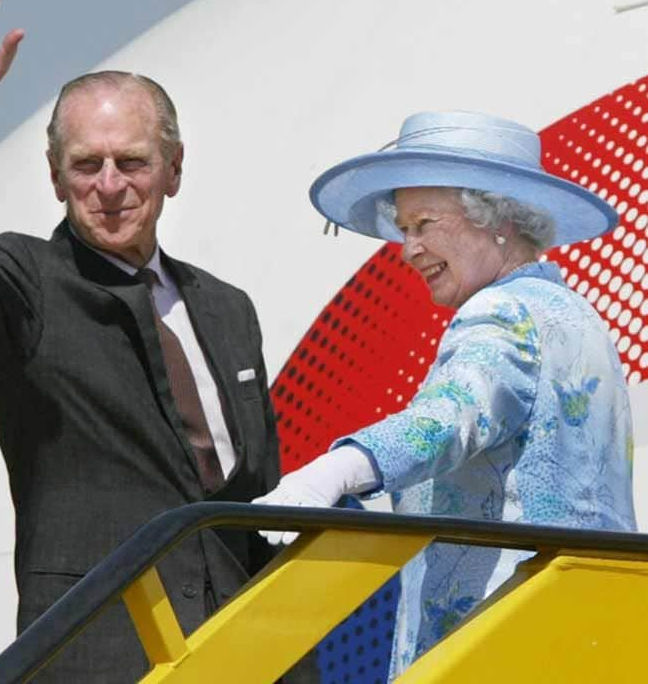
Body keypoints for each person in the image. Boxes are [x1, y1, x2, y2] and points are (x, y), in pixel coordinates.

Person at [0, 0, 291, 682]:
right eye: (85, 165)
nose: (108, 187)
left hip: (246, 653)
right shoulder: (31, 285)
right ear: (55, 177)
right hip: (100, 656)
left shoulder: (227, 309)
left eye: (131, 162)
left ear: (173, 169)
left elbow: (248, 496)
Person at [254, 110, 637, 678]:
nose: (407, 249)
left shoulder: (501, 312)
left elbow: (447, 418)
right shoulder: (573, 314)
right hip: (587, 637)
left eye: (424, 224)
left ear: (498, 220)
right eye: (404, 228)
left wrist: (331, 473)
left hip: (498, 644)